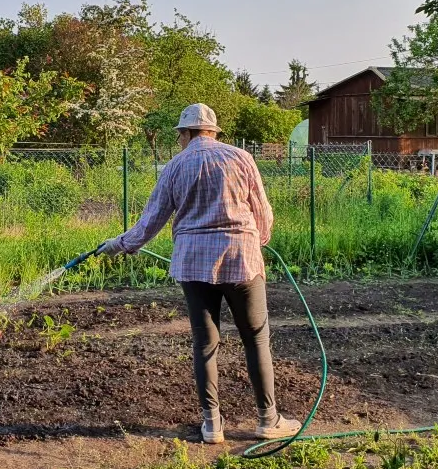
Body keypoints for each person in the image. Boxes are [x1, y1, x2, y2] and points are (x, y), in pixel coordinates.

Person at [98, 104, 302, 445]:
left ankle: (212, 425)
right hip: (242, 258)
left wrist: (119, 244)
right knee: (256, 337)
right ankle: (268, 419)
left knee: (205, 342)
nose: (179, 140)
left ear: (187, 133)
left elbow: (151, 220)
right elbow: (262, 211)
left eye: (179, 134)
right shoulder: (241, 157)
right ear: (212, 131)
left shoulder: (175, 166)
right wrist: (259, 240)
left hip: (193, 262)